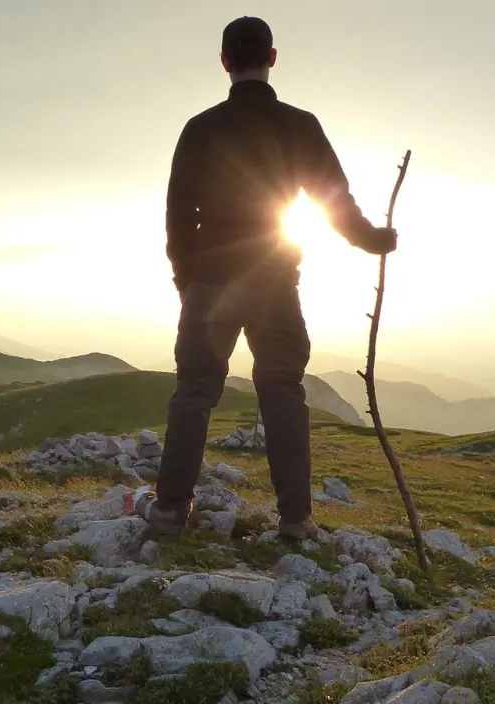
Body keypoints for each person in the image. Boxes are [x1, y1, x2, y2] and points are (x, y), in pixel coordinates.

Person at [135, 15, 398, 540]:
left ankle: (168, 512)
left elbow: (177, 214)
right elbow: (333, 200)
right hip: (275, 280)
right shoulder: (299, 125)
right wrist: (373, 239)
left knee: (194, 392)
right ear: (272, 58)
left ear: (225, 62)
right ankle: (297, 521)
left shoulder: (200, 128)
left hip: (210, 281)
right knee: (282, 390)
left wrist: (186, 279)